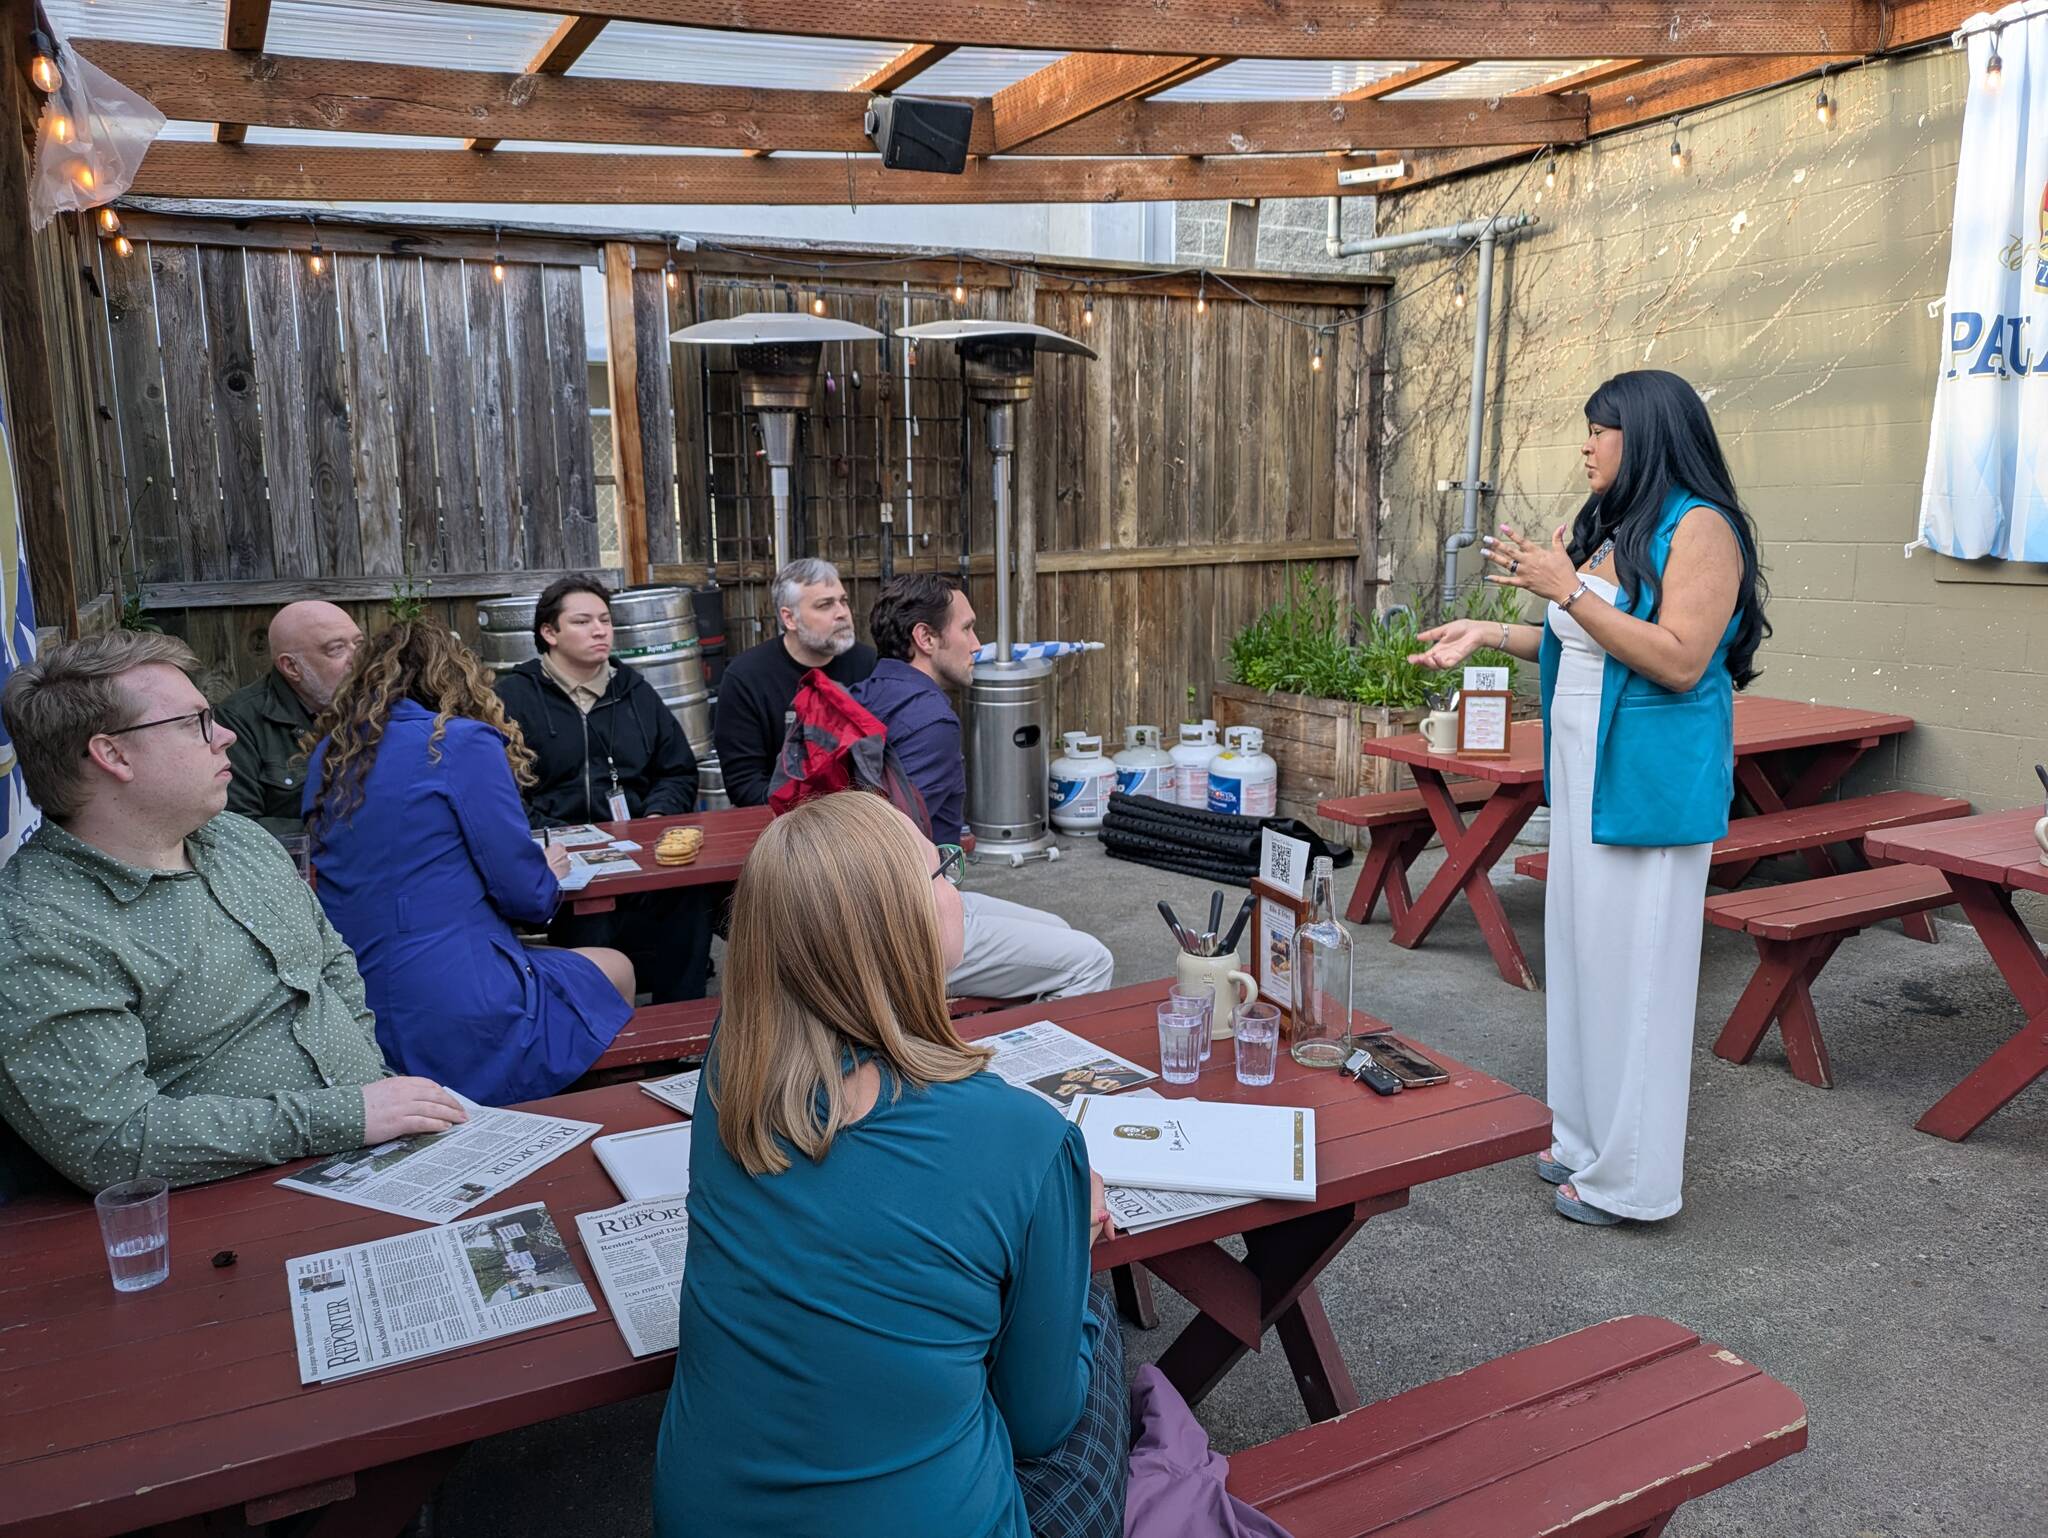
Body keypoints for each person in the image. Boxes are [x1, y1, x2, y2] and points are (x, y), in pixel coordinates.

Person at [651, 791, 1126, 1538]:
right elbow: (1041, 1425)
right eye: (941, 869)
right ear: (900, 925)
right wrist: (1071, 1234)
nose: (957, 883)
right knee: (1091, 1318)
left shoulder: (731, 1064)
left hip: (702, 1514)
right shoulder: (1023, 1138)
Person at [1410, 368, 1769, 1226]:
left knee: (1637, 978)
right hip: (1583, 776)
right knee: (1582, 963)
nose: (1585, 445)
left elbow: (1680, 656)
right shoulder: (1615, 527)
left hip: (1644, 780)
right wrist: (1492, 632)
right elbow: (1590, 637)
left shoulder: (1702, 529)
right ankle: (1581, 1139)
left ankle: (1632, 1184)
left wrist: (1565, 584)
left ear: (1643, 435)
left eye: (1599, 430)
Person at [0, 632, 466, 1194]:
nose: (226, 736)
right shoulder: (38, 928)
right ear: (113, 754)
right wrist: (344, 1115)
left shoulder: (237, 839)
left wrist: (370, 1081)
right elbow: (112, 1143)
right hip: (232, 1207)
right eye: (195, 723)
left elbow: (332, 965)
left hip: (381, 1147)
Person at [307, 620, 635, 1107]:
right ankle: (575, 1117)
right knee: (616, 967)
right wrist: (548, 870)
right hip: (455, 1001)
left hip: (356, 995)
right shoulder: (459, 742)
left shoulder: (330, 754)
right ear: (458, 678)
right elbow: (526, 897)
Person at [855, 574, 1114, 1001]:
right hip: (902, 931)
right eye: (967, 628)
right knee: (1091, 961)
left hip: (864, 917)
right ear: (926, 637)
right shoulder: (929, 720)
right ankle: (1032, 1060)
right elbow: (891, 851)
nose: (977, 645)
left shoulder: (869, 692)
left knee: (1059, 931)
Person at [494, 575, 712, 1003]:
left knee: (692, 894)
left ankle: (680, 1036)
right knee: (590, 914)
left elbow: (678, 771)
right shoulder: (510, 700)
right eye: (582, 621)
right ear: (549, 633)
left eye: (605, 620)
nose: (600, 630)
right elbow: (500, 796)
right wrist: (565, 838)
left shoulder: (635, 692)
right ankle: (601, 1041)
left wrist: (654, 819)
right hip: (562, 866)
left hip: (640, 856)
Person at [713, 557, 876, 806]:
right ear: (789, 619)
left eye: (843, 601)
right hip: (782, 825)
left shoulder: (870, 665)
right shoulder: (746, 678)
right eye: (825, 605)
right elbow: (744, 784)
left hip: (863, 816)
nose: (842, 613)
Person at [215, 600, 364, 837]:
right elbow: (236, 826)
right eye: (336, 649)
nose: (358, 659)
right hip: (294, 869)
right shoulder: (239, 720)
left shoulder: (379, 705)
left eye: (359, 644)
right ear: (291, 667)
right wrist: (343, 832)